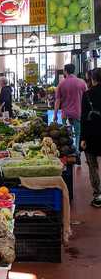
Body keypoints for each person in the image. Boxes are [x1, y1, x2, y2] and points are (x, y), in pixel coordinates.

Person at [54, 63, 87, 161]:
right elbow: (87, 97)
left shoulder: (61, 84)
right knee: (77, 134)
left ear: (65, 71)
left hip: (65, 114)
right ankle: (77, 152)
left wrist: (55, 114)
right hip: (78, 113)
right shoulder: (81, 82)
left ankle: (68, 153)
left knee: (66, 135)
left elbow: (58, 100)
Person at [80, 68, 101, 207]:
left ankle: (98, 195)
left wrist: (83, 138)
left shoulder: (87, 95)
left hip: (92, 133)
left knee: (92, 165)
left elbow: (84, 118)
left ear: (92, 79)